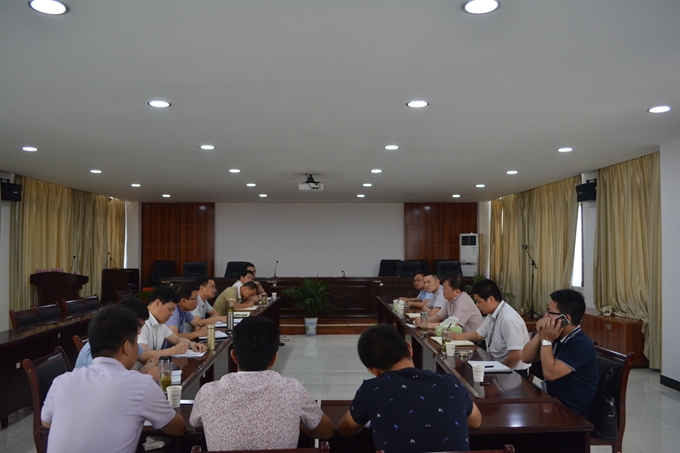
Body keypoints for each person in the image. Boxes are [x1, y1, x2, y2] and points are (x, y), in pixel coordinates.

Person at [41, 306, 186, 453]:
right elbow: (178, 428)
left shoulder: (61, 381)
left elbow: (46, 422)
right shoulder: (141, 385)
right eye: (136, 342)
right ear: (127, 347)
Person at [190, 316, 334, 450]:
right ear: (274, 359)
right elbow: (326, 432)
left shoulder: (207, 392)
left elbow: (197, 425)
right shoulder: (293, 390)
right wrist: (296, 421)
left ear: (234, 356)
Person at [339, 324, 481, 452]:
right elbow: (476, 421)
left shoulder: (371, 389)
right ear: (409, 348)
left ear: (372, 370)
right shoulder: (451, 382)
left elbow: (345, 429)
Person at [521, 289, 599, 419]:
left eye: (550, 312)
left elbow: (550, 374)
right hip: (552, 402)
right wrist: (541, 333)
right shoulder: (557, 335)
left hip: (570, 413)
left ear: (565, 319)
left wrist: (546, 339)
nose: (545, 316)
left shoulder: (580, 344)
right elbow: (525, 357)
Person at [450, 279, 531, 375]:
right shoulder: (492, 314)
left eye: (478, 301)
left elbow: (516, 355)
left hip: (513, 372)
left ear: (491, 299)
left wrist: (499, 373)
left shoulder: (508, 319)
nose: (477, 305)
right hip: (496, 365)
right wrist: (455, 336)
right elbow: (478, 335)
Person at [75, 297, 158, 380]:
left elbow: (152, 358)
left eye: (141, 327)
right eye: (137, 326)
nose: (139, 332)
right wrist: (144, 378)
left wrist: (144, 370)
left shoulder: (125, 340)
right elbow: (107, 381)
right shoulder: (104, 345)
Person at [139, 286, 206, 358]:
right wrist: (172, 351)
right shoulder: (141, 322)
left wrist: (192, 344)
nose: (172, 314)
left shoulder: (161, 324)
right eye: (170, 309)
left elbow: (177, 339)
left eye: (173, 310)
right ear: (157, 303)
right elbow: (142, 354)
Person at [415, 276, 482, 333]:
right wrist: (424, 321)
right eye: (443, 288)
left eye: (445, 289)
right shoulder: (448, 300)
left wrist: (427, 325)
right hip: (459, 336)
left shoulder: (463, 302)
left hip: (472, 340)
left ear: (457, 292)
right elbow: (438, 316)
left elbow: (454, 325)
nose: (443, 291)